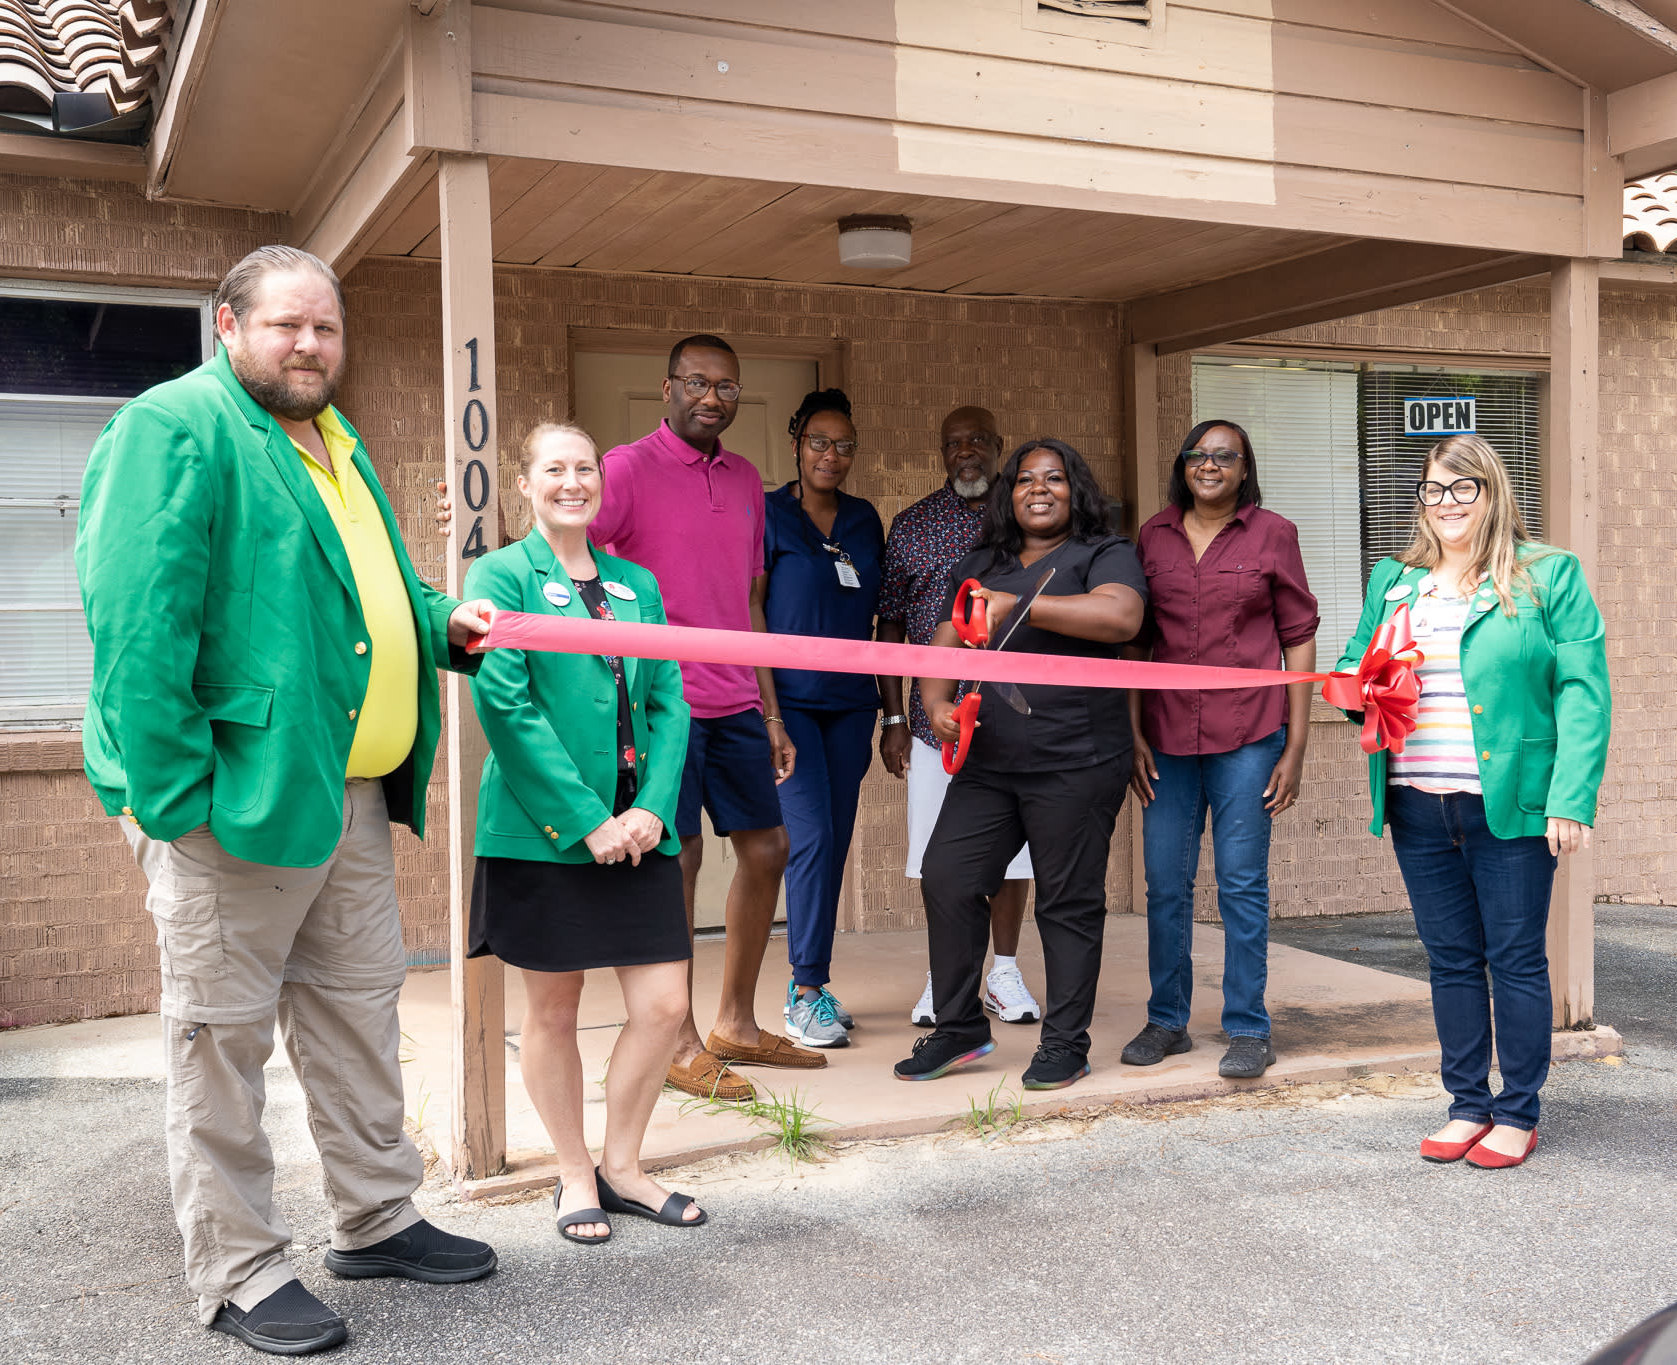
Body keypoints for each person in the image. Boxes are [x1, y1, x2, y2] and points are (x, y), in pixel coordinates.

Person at [75, 246, 498, 1357]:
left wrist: (440, 620)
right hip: (233, 804)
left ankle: (376, 1216)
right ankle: (240, 1267)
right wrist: (176, 802)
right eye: (286, 326)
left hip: (346, 793)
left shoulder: (332, 439)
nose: (310, 345)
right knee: (221, 1041)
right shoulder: (176, 428)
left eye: (327, 329)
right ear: (228, 324)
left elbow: (375, 583)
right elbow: (136, 626)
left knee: (358, 1014)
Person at [1337, 434, 1609, 1168]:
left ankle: (1517, 1110)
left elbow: (1583, 690)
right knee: (1449, 958)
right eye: (1433, 490)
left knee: (1515, 958)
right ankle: (1466, 1104)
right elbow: (1350, 665)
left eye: (1462, 488)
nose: (1447, 503)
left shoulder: (1547, 574)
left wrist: (1571, 796)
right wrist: (1360, 682)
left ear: (1490, 492)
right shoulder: (1395, 579)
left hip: (1511, 803)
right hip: (1415, 802)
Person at [465, 423, 703, 1242]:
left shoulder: (638, 583)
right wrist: (586, 820)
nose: (573, 481)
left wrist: (652, 808)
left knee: (665, 1003)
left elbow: (671, 700)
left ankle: (625, 1165)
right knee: (554, 1011)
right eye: (554, 469)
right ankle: (574, 1173)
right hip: (546, 833)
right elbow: (505, 706)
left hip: (640, 830)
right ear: (524, 484)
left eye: (585, 468)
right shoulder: (501, 574)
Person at [588, 333, 823, 1100]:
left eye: (726, 386)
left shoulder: (749, 477)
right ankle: (677, 1037)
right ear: (667, 388)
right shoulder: (626, 467)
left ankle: (736, 1023)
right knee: (676, 859)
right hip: (662, 703)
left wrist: (771, 707)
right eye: (697, 382)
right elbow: (574, 559)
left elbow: (748, 600)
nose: (711, 397)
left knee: (768, 847)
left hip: (734, 701)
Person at [895, 438, 1147, 1090]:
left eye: (1054, 478)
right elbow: (941, 643)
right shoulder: (984, 562)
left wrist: (1021, 605)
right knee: (947, 876)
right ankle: (957, 1029)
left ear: (1075, 489)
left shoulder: (1103, 552)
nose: (1039, 488)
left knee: (1065, 903)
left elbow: (1121, 616)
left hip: (1078, 759)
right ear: (1009, 494)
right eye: (1025, 479)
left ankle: (1065, 1044)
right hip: (990, 762)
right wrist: (935, 701)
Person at [1121, 420, 1319, 1080]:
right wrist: (1132, 731)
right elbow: (1136, 642)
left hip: (1249, 735)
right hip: (1167, 738)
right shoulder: (1153, 534)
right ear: (1182, 465)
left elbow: (1297, 638)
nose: (1209, 465)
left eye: (1223, 456)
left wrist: (1295, 745)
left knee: (1239, 883)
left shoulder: (1273, 534)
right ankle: (1166, 1020)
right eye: (1198, 455)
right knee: (1164, 884)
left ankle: (1247, 1027)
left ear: (1242, 469)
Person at [877, 406, 1041, 1029]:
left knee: (1014, 860)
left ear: (1000, 446)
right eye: (953, 443)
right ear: (940, 452)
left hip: (1016, 719)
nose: (965, 451)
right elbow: (890, 620)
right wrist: (895, 717)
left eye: (977, 440)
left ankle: (1002, 972)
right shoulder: (914, 525)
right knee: (935, 854)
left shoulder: (1026, 516)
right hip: (932, 722)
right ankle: (942, 978)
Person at [762, 389, 887, 1047]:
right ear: (795, 443)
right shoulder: (769, 514)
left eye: (842, 445)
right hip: (791, 704)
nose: (830, 455)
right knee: (806, 840)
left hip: (849, 704)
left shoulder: (865, 519)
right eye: (818, 442)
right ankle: (803, 991)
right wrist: (769, 713)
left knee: (834, 841)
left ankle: (813, 979)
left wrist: (892, 714)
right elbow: (751, 610)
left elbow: (876, 612)